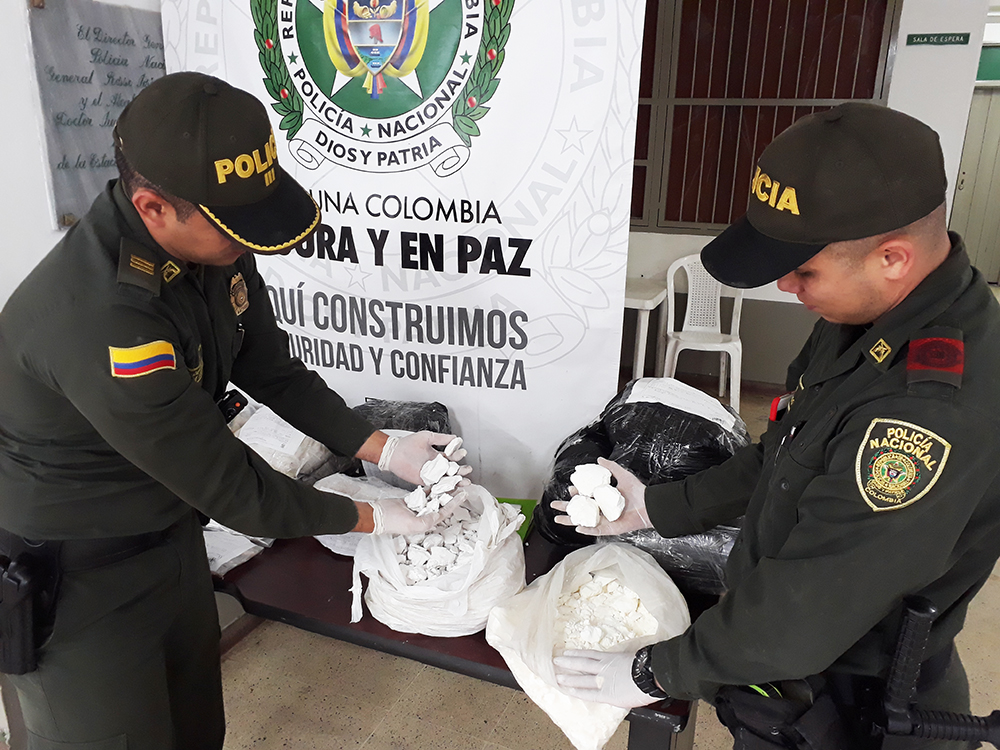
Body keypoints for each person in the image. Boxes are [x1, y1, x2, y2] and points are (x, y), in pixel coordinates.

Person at [0, 71, 468, 749]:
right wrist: (374, 515)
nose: (246, 244)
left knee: (195, 730)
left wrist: (382, 449)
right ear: (154, 207)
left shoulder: (211, 250)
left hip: (168, 537)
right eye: (231, 228)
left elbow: (270, 367)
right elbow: (232, 486)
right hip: (76, 579)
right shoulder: (104, 317)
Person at [551, 103, 1000, 749]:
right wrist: (654, 506)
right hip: (780, 667)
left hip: (849, 698)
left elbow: (814, 600)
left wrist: (657, 671)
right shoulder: (859, 325)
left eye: (805, 269)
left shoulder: (928, 413)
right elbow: (784, 453)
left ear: (893, 259)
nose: (786, 285)